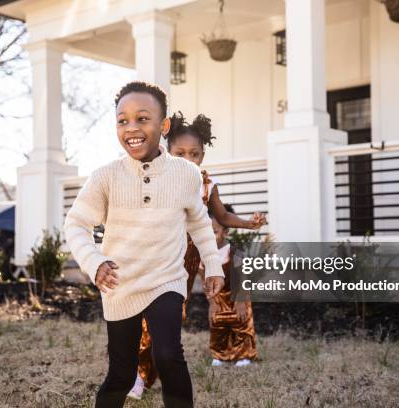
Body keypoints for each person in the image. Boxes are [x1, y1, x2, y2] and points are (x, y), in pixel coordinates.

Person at [63, 81, 225, 408]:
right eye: (122, 121)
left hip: (166, 278)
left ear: (163, 126)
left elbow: (199, 222)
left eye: (142, 118)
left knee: (168, 354)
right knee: (122, 374)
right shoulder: (105, 177)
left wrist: (213, 263)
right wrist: (93, 262)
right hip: (120, 284)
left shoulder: (186, 174)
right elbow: (76, 224)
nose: (131, 128)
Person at [129, 112, 266, 399]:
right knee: (150, 316)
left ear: (203, 156)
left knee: (170, 319)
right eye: (181, 152)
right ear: (168, 150)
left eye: (195, 153)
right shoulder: (156, 178)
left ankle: (161, 371)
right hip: (159, 256)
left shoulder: (207, 185)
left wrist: (249, 223)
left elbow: (223, 216)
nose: (188, 158)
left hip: (188, 264)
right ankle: (139, 376)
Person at [202, 205, 257, 367]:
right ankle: (220, 354)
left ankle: (243, 355)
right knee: (217, 323)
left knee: (241, 323)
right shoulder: (203, 255)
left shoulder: (235, 252)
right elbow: (205, 281)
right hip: (217, 296)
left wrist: (240, 302)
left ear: (226, 232)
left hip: (238, 294)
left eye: (214, 232)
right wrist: (212, 303)